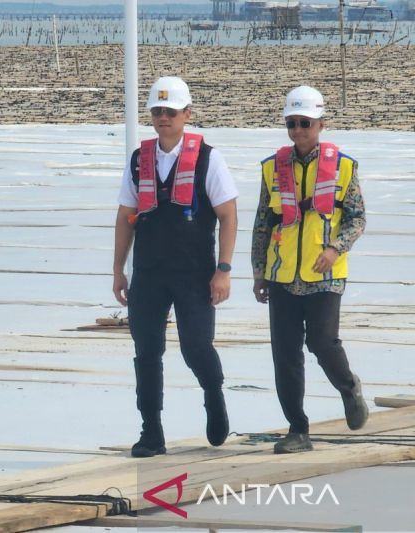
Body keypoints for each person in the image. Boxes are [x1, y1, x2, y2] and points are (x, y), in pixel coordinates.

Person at [113, 76, 238, 458]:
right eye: (157, 111)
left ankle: (214, 397)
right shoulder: (139, 159)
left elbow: (228, 215)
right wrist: (119, 269)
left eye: (170, 111)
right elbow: (125, 215)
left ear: (187, 114)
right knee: (146, 351)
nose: (163, 117)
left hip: (194, 272)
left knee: (195, 347)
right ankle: (151, 431)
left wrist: (224, 269)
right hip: (149, 274)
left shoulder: (208, 158)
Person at [251, 86, 368, 454]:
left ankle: (349, 387)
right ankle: (297, 429)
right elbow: (262, 222)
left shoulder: (344, 166)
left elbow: (358, 218)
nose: (298, 130)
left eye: (305, 123)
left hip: (325, 275)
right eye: (292, 123)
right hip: (282, 275)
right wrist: (258, 271)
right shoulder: (272, 167)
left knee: (321, 342)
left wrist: (336, 249)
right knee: (284, 353)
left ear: (321, 123)